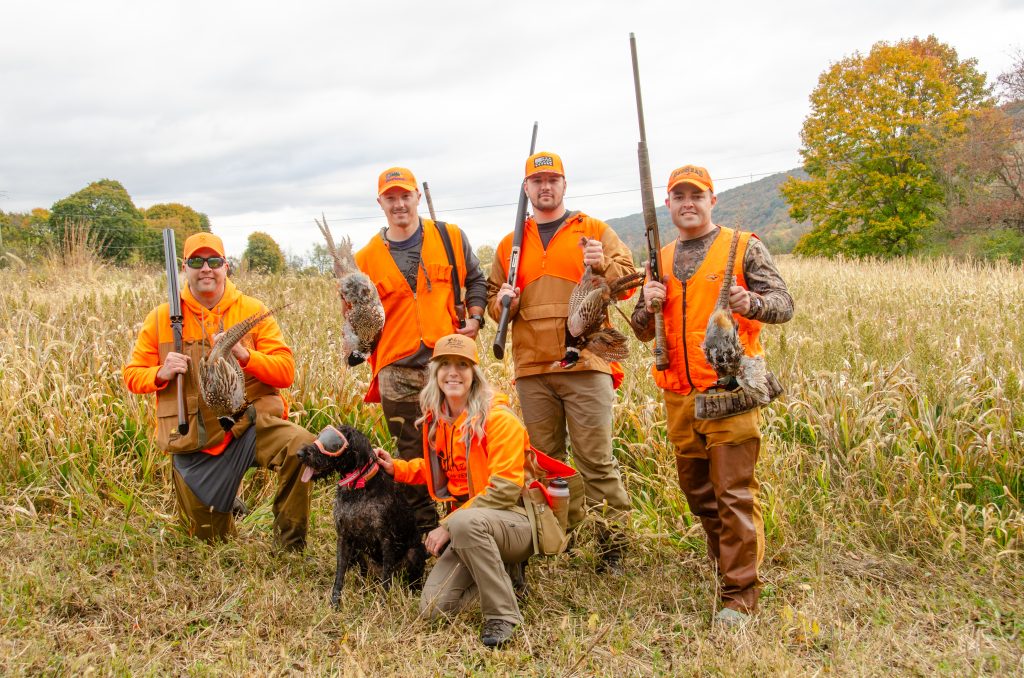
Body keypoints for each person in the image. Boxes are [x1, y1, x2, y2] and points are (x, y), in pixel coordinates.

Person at [629, 165, 794, 625]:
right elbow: (642, 333)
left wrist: (751, 303)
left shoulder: (743, 247)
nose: (688, 203)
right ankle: (728, 566)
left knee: (733, 492)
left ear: (711, 200)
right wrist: (647, 303)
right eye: (679, 195)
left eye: (696, 195)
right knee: (699, 493)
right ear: (668, 204)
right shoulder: (658, 259)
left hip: (730, 390)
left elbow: (784, 304)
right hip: (679, 396)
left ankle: (740, 596)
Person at [487, 151, 637, 572]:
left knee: (595, 461)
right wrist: (502, 302)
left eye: (553, 180)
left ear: (565, 185)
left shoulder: (591, 229)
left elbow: (627, 281)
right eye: (537, 182)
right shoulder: (509, 244)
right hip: (533, 370)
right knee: (544, 462)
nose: (545, 187)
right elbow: (494, 306)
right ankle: (556, 545)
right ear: (527, 189)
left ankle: (614, 550)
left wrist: (601, 263)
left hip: (587, 364)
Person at [123, 232, 313, 549]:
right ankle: (227, 503)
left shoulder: (251, 310)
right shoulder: (162, 318)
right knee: (210, 543)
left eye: (214, 261)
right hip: (198, 444)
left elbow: (286, 372)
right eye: (197, 261)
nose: (206, 268)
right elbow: (132, 375)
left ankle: (290, 547)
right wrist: (161, 372)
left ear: (226, 266)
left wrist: (245, 355)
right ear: (185, 267)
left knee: (304, 447)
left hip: (250, 426)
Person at [374, 334, 533, 649]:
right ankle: (507, 579)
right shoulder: (440, 422)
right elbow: (440, 471)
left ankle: (503, 616)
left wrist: (447, 525)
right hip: (469, 528)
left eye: (462, 365)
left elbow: (504, 489)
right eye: (445, 364)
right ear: (434, 373)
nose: (453, 372)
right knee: (434, 609)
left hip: (513, 522)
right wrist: (398, 468)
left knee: (463, 523)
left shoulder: (499, 419)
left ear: (475, 374)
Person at [355, 167, 488, 537]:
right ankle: (427, 535)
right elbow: (355, 316)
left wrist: (475, 316)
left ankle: (466, 527)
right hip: (395, 369)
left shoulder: (449, 237)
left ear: (416, 196)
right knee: (413, 456)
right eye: (390, 197)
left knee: (460, 444)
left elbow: (476, 280)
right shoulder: (365, 258)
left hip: (446, 366)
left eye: (405, 195)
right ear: (380, 202)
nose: (399, 204)